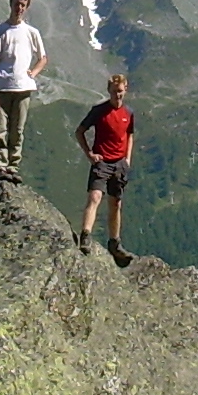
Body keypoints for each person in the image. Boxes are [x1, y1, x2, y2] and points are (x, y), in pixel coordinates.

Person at [0, 0, 48, 182]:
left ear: (26, 7)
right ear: (11, 5)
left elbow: (43, 58)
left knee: (17, 130)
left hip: (23, 89)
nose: (19, 8)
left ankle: (12, 167)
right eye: (16, 4)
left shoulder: (31, 32)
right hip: (2, 88)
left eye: (23, 5)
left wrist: (33, 72)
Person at [74, 73, 135, 265]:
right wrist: (89, 154)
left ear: (126, 89)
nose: (118, 95)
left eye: (121, 91)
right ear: (109, 91)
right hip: (102, 162)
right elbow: (80, 131)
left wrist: (127, 159)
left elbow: (130, 135)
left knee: (115, 203)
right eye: (115, 92)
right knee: (95, 197)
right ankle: (85, 235)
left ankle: (114, 242)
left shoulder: (128, 113)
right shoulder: (99, 111)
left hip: (119, 164)